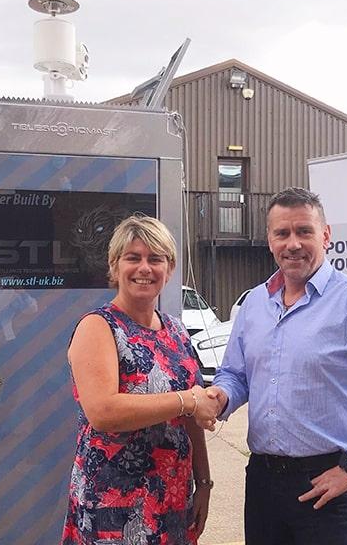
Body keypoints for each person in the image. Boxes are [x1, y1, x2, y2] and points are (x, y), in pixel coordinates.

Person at [207, 187, 347, 545]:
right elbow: (236, 375)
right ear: (270, 240)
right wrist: (220, 397)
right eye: (282, 233)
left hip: (329, 480)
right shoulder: (255, 303)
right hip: (263, 481)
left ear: (326, 236)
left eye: (304, 231)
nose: (293, 243)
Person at [61, 215, 217, 545]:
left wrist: (203, 482)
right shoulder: (98, 327)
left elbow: (193, 417)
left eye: (155, 259)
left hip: (172, 499)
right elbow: (103, 412)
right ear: (115, 266)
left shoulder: (175, 330)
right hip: (114, 506)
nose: (144, 268)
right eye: (133, 258)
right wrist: (186, 400)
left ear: (169, 268)